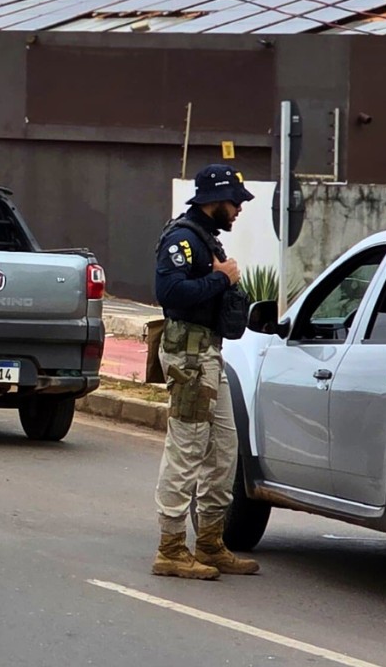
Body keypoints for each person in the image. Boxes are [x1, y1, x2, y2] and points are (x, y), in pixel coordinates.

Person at [150, 163, 260, 580]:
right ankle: (171, 547)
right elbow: (170, 292)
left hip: (209, 356)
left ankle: (211, 542)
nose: (239, 210)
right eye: (234, 202)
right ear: (214, 201)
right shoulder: (182, 240)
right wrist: (219, 278)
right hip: (190, 357)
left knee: (224, 448)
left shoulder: (206, 239)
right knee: (187, 449)